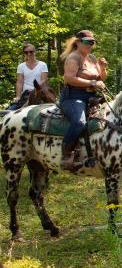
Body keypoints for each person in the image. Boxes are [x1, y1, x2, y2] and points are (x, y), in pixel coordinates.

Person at [59, 30, 107, 170]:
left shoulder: (91, 58)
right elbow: (69, 78)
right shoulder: (73, 57)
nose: (90, 44)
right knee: (79, 123)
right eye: (87, 42)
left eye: (92, 42)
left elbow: (100, 79)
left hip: (91, 97)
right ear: (78, 42)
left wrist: (103, 69)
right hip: (73, 96)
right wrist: (92, 84)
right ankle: (66, 153)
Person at [11, 43, 49, 110]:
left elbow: (44, 80)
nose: (29, 54)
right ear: (24, 53)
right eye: (26, 52)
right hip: (26, 94)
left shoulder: (43, 65)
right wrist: (18, 96)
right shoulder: (21, 66)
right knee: (10, 111)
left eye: (31, 51)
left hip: (39, 93)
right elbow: (19, 82)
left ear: (35, 52)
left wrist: (35, 89)